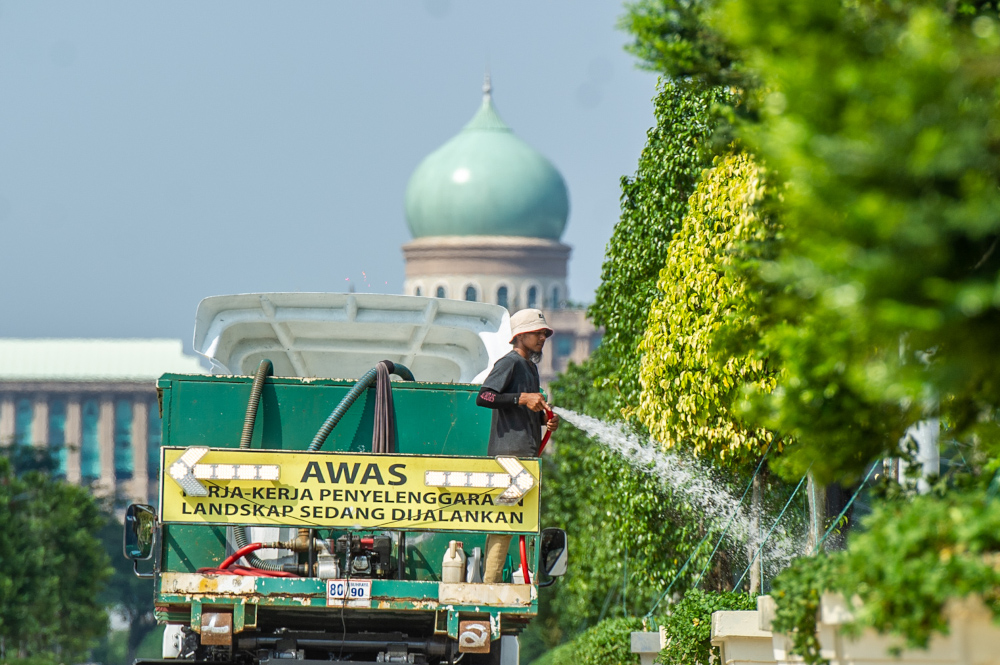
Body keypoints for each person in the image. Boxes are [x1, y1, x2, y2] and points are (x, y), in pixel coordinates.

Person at [475, 308, 560, 583]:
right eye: (537, 333)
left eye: (544, 334)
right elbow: (485, 396)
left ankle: (500, 578)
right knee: (506, 517)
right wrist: (522, 399)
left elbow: (525, 411)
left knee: (514, 518)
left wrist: (544, 419)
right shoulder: (509, 362)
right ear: (520, 335)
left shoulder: (531, 368)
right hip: (508, 455)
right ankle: (490, 581)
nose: (542, 339)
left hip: (525, 454)